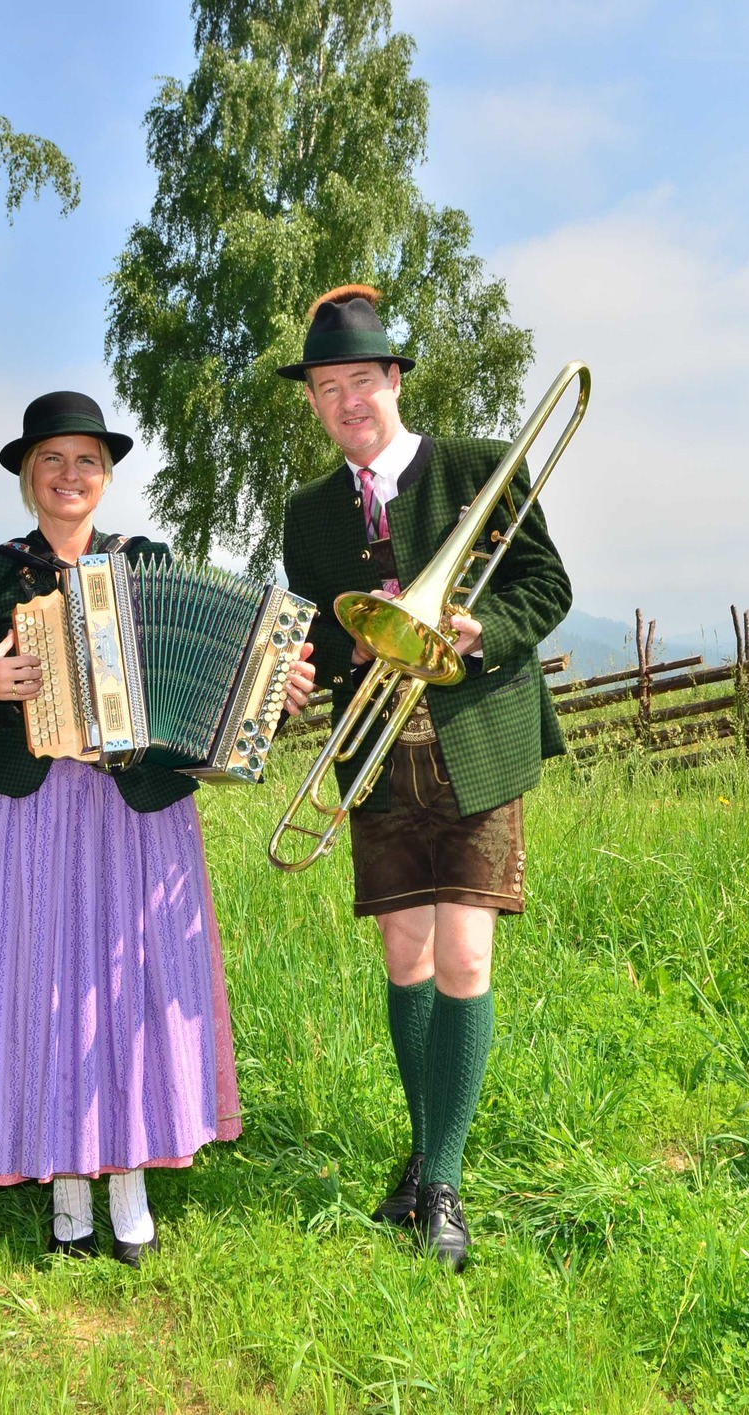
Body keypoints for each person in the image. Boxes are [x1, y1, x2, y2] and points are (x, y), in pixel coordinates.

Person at [0, 392, 313, 1265]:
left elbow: (210, 683)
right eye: (52, 460)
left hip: (141, 813)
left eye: (87, 460)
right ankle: (66, 1197)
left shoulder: (148, 561)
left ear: (106, 475)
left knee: (128, 991)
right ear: (30, 474)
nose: (70, 475)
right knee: (45, 986)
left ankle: (129, 1183)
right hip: (33, 809)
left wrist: (270, 691)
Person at [278, 286, 572, 1272]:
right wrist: (295, 673)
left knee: (464, 961)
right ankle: (423, 1150)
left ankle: (438, 1185)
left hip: (475, 745)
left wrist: (484, 632)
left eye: (361, 379)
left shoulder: (477, 470)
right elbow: (322, 632)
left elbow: (547, 584)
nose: (346, 401)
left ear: (393, 380)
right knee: (404, 960)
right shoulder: (310, 515)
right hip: (376, 760)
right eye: (326, 387)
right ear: (313, 402)